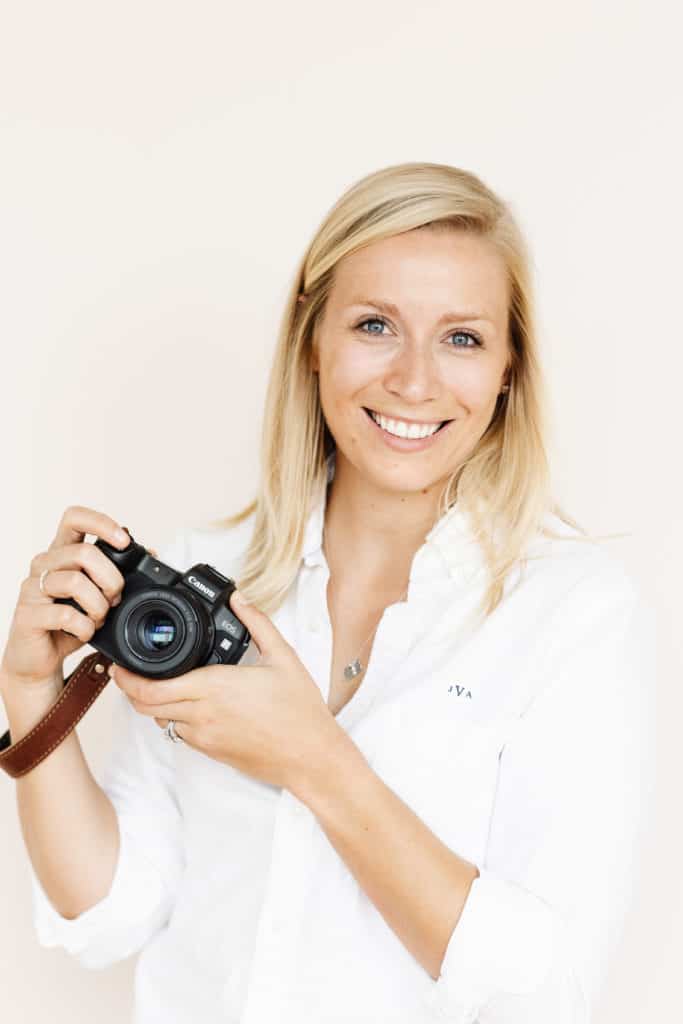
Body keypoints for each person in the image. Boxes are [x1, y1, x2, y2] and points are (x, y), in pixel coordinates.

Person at [0, 162, 656, 1023]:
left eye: (461, 338)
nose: (414, 381)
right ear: (312, 342)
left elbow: (545, 994)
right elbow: (111, 915)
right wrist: (29, 691)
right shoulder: (209, 576)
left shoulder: (574, 612)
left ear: (507, 371)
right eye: (375, 325)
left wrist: (313, 758)